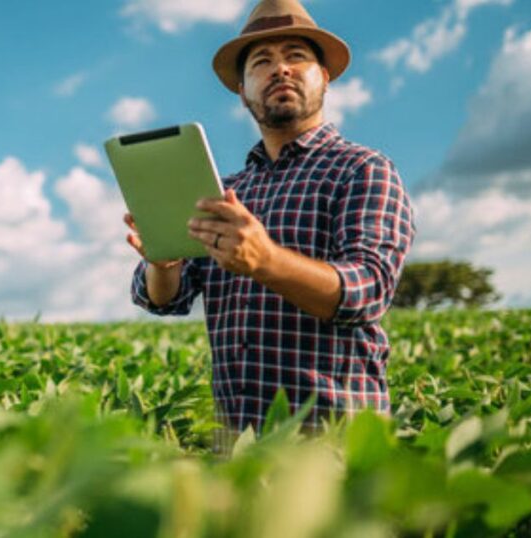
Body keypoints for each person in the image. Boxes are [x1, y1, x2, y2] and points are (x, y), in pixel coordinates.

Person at [125, 0, 416, 453]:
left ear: (325, 76)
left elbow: (369, 288)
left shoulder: (363, 170)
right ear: (242, 91)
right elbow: (167, 299)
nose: (280, 69)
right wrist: (163, 260)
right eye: (262, 62)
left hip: (331, 448)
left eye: (296, 55)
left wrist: (266, 260)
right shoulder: (224, 192)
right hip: (236, 448)